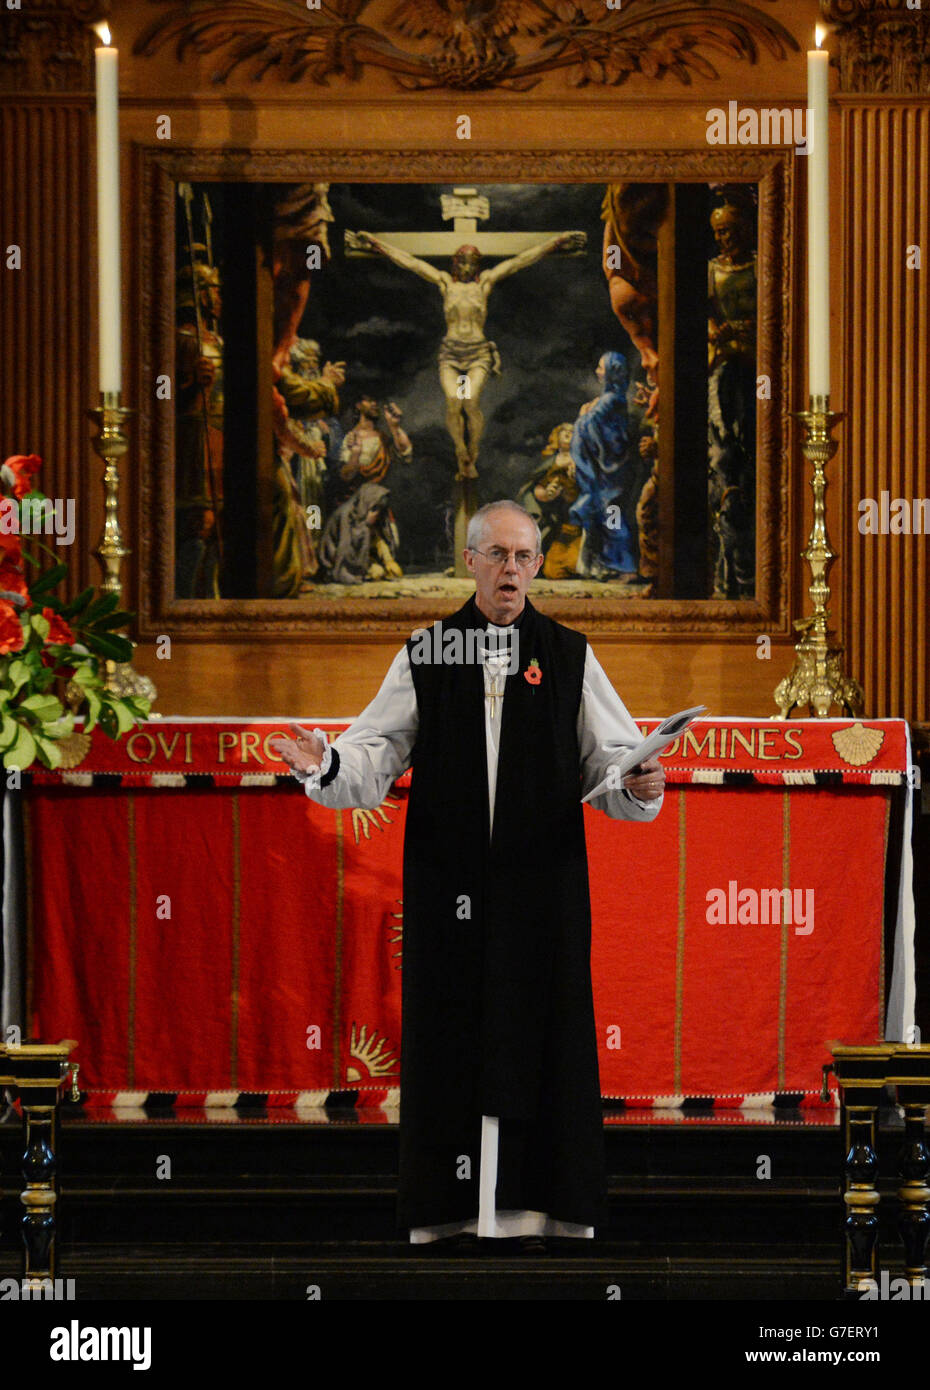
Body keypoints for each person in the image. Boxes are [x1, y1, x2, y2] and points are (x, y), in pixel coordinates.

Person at [270, 500, 665, 1249]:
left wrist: (638, 787)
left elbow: (613, 764)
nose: (511, 570)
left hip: (540, 892)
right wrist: (324, 763)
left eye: (524, 557)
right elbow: (374, 752)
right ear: (471, 561)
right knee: (453, 1038)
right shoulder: (428, 651)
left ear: (540, 566)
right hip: (449, 890)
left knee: (541, 1036)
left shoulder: (569, 653)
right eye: (497, 555)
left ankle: (546, 1209)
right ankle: (450, 1213)